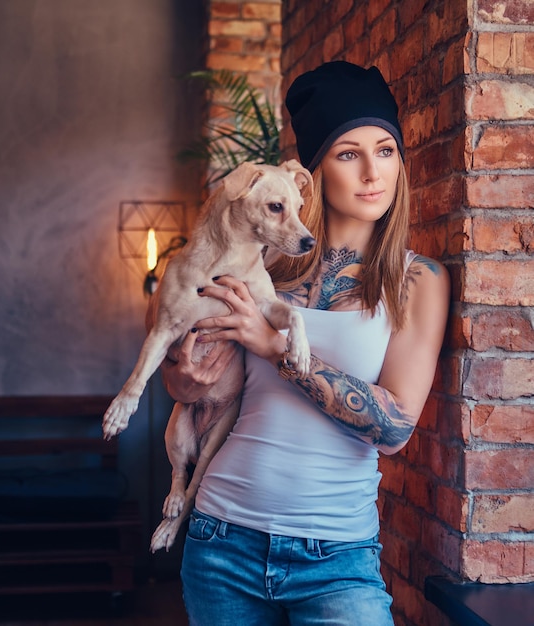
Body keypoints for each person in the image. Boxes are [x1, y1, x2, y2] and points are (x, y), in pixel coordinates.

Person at [159, 61, 450, 625]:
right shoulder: (255, 267)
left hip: (336, 559)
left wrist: (276, 349)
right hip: (222, 538)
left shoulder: (416, 281)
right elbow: (183, 377)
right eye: (349, 154)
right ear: (311, 175)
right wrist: (181, 370)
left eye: (385, 150)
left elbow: (392, 427)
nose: (373, 172)